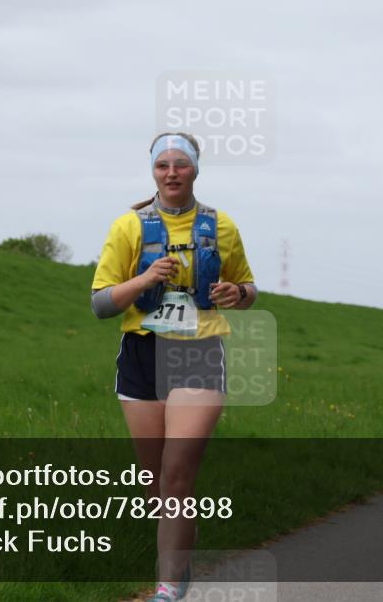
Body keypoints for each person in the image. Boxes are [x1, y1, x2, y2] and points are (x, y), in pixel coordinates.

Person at [91, 132, 257, 602]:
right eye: (162, 164)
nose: (171, 172)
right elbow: (101, 304)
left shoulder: (220, 226)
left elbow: (246, 287)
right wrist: (144, 278)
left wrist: (236, 295)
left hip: (198, 353)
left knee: (177, 476)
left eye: (180, 164)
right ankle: (182, 558)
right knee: (155, 488)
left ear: (195, 169)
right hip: (142, 353)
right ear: (152, 170)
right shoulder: (128, 226)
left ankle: (166, 587)